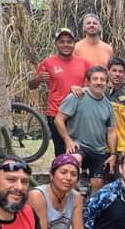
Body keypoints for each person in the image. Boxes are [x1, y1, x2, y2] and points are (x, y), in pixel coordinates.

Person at [54, 66, 117, 195]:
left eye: (102, 80)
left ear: (107, 83)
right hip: (79, 145)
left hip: (98, 150)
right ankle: (70, 200)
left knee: (97, 183)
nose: (99, 82)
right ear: (88, 81)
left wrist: (113, 154)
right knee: (73, 162)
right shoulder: (77, 96)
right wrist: (68, 141)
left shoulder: (108, 105)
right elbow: (58, 119)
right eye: (95, 79)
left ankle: (90, 206)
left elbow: (111, 131)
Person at [28, 28, 90, 157]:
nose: (66, 45)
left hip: (78, 113)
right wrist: (38, 79)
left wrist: (80, 89)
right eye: (62, 42)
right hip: (56, 113)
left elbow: (93, 85)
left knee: (80, 150)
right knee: (61, 151)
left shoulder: (83, 63)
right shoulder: (48, 63)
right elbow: (31, 86)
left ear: (74, 44)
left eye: (69, 42)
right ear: (56, 44)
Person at [106, 57, 125, 177]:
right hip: (100, 146)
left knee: (121, 180)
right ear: (108, 71)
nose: (117, 74)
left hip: (121, 146)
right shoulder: (99, 90)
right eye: (114, 71)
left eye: (120, 71)